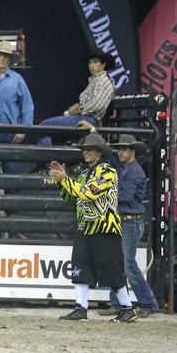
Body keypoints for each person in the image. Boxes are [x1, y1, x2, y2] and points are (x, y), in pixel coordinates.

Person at [49, 133, 137, 323]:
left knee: (112, 268)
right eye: (84, 150)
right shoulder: (83, 174)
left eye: (89, 149)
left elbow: (88, 194)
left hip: (105, 228)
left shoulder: (107, 172)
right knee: (80, 266)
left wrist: (65, 180)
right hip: (86, 228)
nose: (85, 152)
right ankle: (81, 308)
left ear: (99, 152)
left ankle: (128, 308)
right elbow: (70, 198)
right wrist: (61, 182)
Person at [38, 50, 115, 147]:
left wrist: (77, 110)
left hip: (89, 120)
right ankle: (52, 160)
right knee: (55, 136)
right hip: (84, 118)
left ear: (103, 64)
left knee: (45, 126)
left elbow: (96, 105)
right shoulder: (94, 81)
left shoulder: (104, 82)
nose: (91, 65)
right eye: (90, 62)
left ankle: (45, 160)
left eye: (95, 62)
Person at [0, 40, 34, 174]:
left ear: (10, 60)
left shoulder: (18, 80)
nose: (2, 58)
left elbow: (27, 106)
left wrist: (23, 130)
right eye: (0, 54)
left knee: (12, 173)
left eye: (6, 56)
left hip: (10, 134)